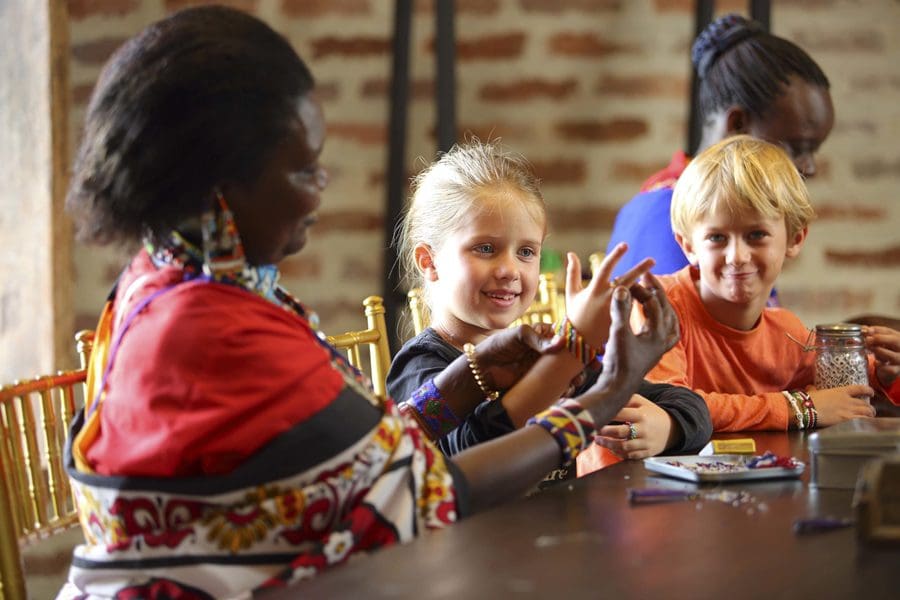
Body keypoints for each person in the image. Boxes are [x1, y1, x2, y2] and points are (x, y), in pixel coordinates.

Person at [59, 6, 678, 598]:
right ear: (222, 188)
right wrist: (605, 390)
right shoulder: (210, 330)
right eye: (303, 172)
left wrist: (475, 373)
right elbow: (425, 492)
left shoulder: (166, 282)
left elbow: (364, 462)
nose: (318, 193)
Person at [388, 141, 711, 473]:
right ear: (429, 262)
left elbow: (693, 407)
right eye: (485, 248)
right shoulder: (420, 366)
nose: (509, 270)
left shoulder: (535, 354)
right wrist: (572, 347)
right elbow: (469, 458)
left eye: (526, 252)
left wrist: (666, 427)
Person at [637, 135, 898, 434]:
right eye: (717, 238)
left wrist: (887, 377)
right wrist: (800, 408)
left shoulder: (787, 334)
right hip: (618, 480)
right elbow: (673, 410)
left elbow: (846, 392)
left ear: (795, 238)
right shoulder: (657, 307)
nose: (737, 256)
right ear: (688, 245)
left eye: (756, 235)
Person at [606, 13, 833, 282]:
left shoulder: (731, 216)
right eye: (798, 147)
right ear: (737, 124)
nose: (810, 167)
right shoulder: (663, 215)